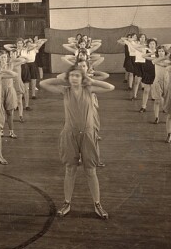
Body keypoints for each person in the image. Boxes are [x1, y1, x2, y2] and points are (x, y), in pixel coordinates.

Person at [40, 66, 115, 219]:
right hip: (69, 134)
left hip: (87, 133)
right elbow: (43, 84)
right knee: (70, 169)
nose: (74, 78)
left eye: (77, 76)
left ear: (82, 78)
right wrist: (62, 79)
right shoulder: (64, 91)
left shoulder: (89, 89)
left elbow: (110, 86)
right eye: (72, 76)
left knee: (91, 170)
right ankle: (67, 203)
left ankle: (97, 204)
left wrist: (90, 80)